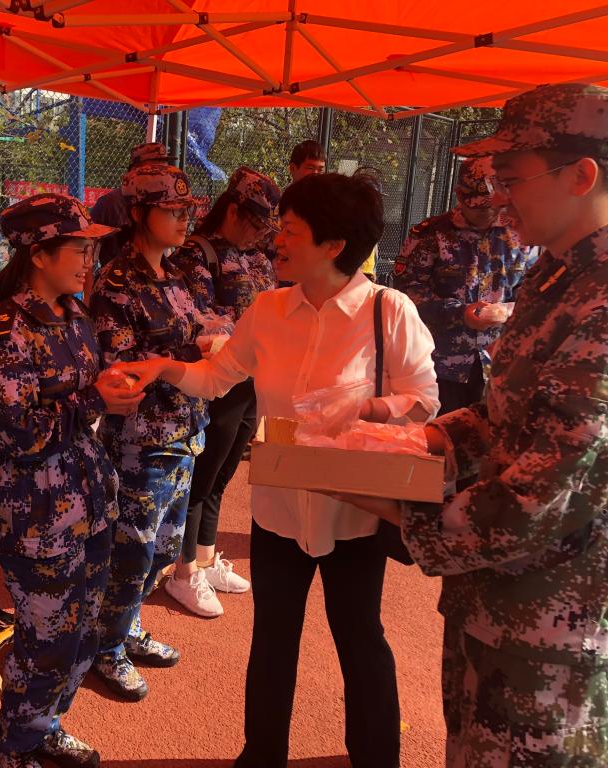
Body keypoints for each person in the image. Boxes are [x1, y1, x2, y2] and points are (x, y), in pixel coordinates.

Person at [339, 82, 608, 767]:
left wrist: (402, 513)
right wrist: (429, 437)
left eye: (512, 178)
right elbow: (509, 413)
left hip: (554, 619)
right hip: (502, 600)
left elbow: (554, 486)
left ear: (581, 175)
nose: (497, 197)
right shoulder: (556, 276)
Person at [112, 172, 439, 768]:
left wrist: (366, 408)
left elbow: (425, 400)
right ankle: (261, 755)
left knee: (360, 638)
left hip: (354, 510)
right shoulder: (268, 308)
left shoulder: (388, 311)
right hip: (279, 508)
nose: (275, 242)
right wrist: (161, 367)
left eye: (289, 231)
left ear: (333, 245)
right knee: (272, 640)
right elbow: (217, 378)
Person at [0, 193, 143, 768]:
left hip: (86, 495)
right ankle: (16, 747)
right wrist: (94, 400)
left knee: (83, 631)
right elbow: (16, 431)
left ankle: (44, 725)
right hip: (36, 508)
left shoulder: (73, 314)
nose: (90, 260)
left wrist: (113, 385)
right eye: (78, 249)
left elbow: (83, 389)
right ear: (39, 255)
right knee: (46, 638)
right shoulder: (6, 329)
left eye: (91, 249)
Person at [88, 163, 207, 701]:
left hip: (184, 431)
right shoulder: (117, 283)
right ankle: (106, 647)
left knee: (162, 549)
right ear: (139, 213)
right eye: (172, 210)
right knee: (131, 553)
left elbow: (191, 330)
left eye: (188, 210)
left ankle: (127, 626)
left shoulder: (174, 274)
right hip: (142, 441)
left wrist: (208, 337)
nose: (185, 219)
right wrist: (192, 352)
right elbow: (118, 367)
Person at [166, 166, 280, 618]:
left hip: (253, 380)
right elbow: (196, 318)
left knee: (224, 472)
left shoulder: (258, 257)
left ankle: (207, 557)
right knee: (202, 474)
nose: (261, 233)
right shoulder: (197, 254)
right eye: (255, 221)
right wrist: (249, 335)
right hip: (218, 379)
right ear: (233, 209)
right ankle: (183, 571)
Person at [394, 157, 538, 416]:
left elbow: (534, 293)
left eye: (496, 207)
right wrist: (459, 314)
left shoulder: (519, 235)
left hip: (499, 365)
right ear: (460, 196)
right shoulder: (431, 235)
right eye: (481, 209)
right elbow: (407, 293)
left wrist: (507, 311)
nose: (490, 214)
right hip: (438, 365)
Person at [91, 142, 171, 267]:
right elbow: (90, 254)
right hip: (118, 276)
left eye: (164, 167)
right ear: (135, 169)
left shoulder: (166, 202)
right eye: (154, 167)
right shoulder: (110, 203)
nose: (162, 172)